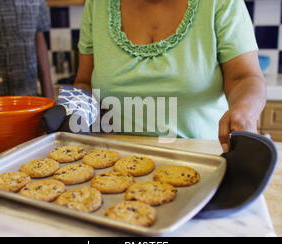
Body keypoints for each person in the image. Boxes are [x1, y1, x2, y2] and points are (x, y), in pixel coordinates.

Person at [73, 0, 266, 152]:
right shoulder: (97, 4)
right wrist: (72, 111)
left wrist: (246, 108)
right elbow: (84, 82)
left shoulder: (220, 2)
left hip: (203, 158)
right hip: (113, 159)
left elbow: (244, 77)